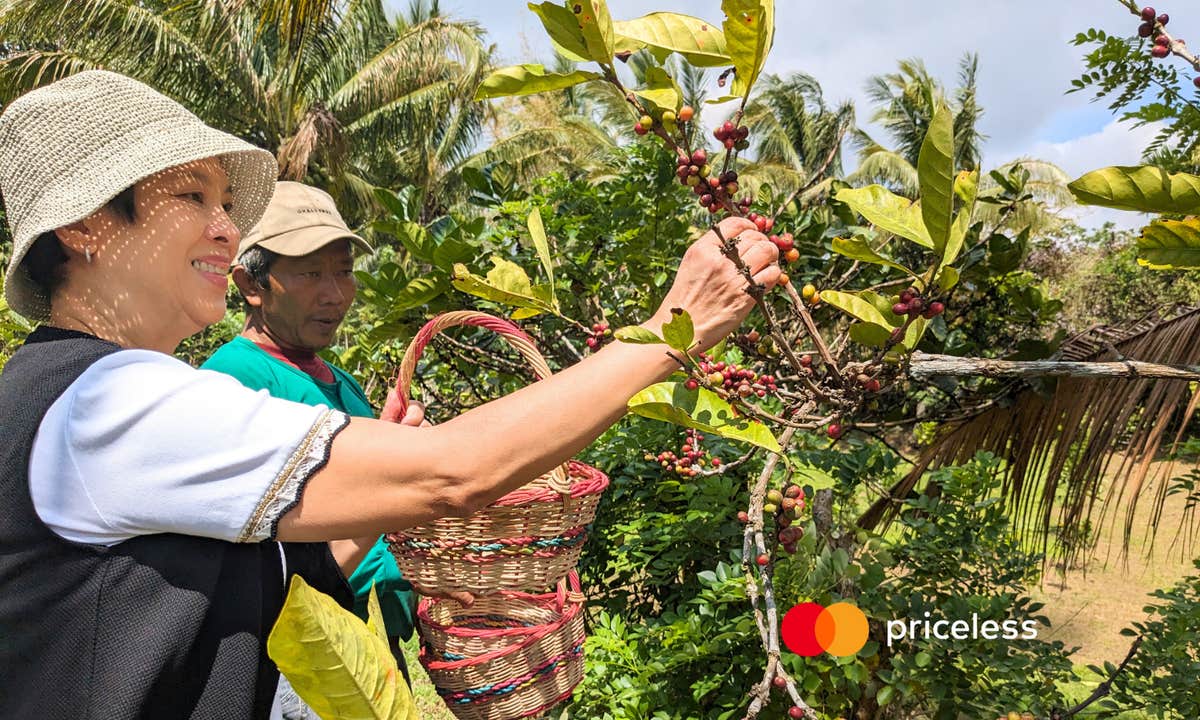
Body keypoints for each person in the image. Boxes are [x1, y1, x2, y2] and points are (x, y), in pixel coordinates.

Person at [0, 70, 780, 720]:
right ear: (86, 227)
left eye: (227, 208)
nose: (225, 230)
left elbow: (261, 591)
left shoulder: (64, 394)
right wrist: (675, 328)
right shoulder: (108, 404)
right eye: (190, 198)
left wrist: (379, 485)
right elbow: (452, 473)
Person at [199, 181, 425, 715]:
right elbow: (266, 574)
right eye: (311, 273)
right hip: (291, 663)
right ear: (251, 284)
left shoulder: (338, 381)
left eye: (343, 270)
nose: (336, 293)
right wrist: (400, 486)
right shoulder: (233, 381)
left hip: (351, 644)